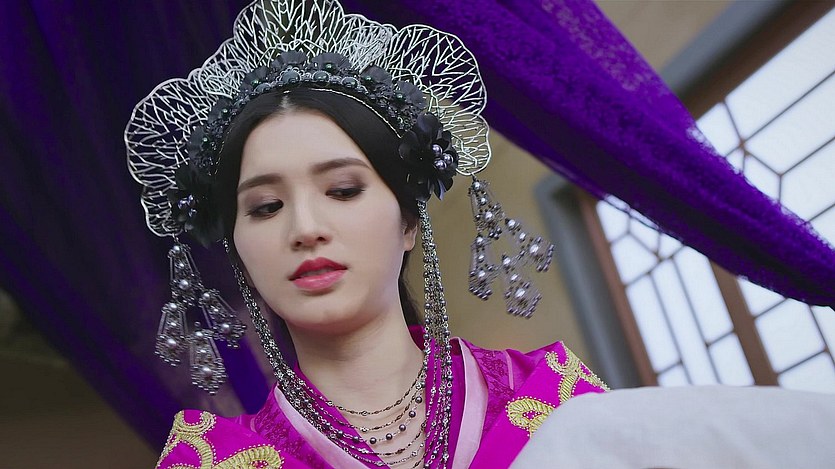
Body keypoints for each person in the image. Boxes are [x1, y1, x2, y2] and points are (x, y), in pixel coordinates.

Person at [127, 1, 608, 468]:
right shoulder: (219, 460)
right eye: (267, 207)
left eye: (343, 190)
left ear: (409, 221)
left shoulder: (553, 401)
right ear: (237, 248)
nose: (306, 229)